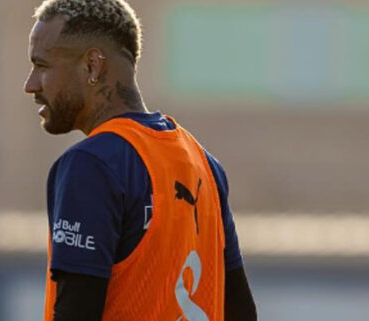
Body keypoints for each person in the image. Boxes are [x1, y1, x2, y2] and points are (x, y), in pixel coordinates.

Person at [23, 1, 257, 320]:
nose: (30, 85)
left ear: (92, 66)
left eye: (42, 65)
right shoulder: (203, 163)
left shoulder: (92, 165)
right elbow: (241, 313)